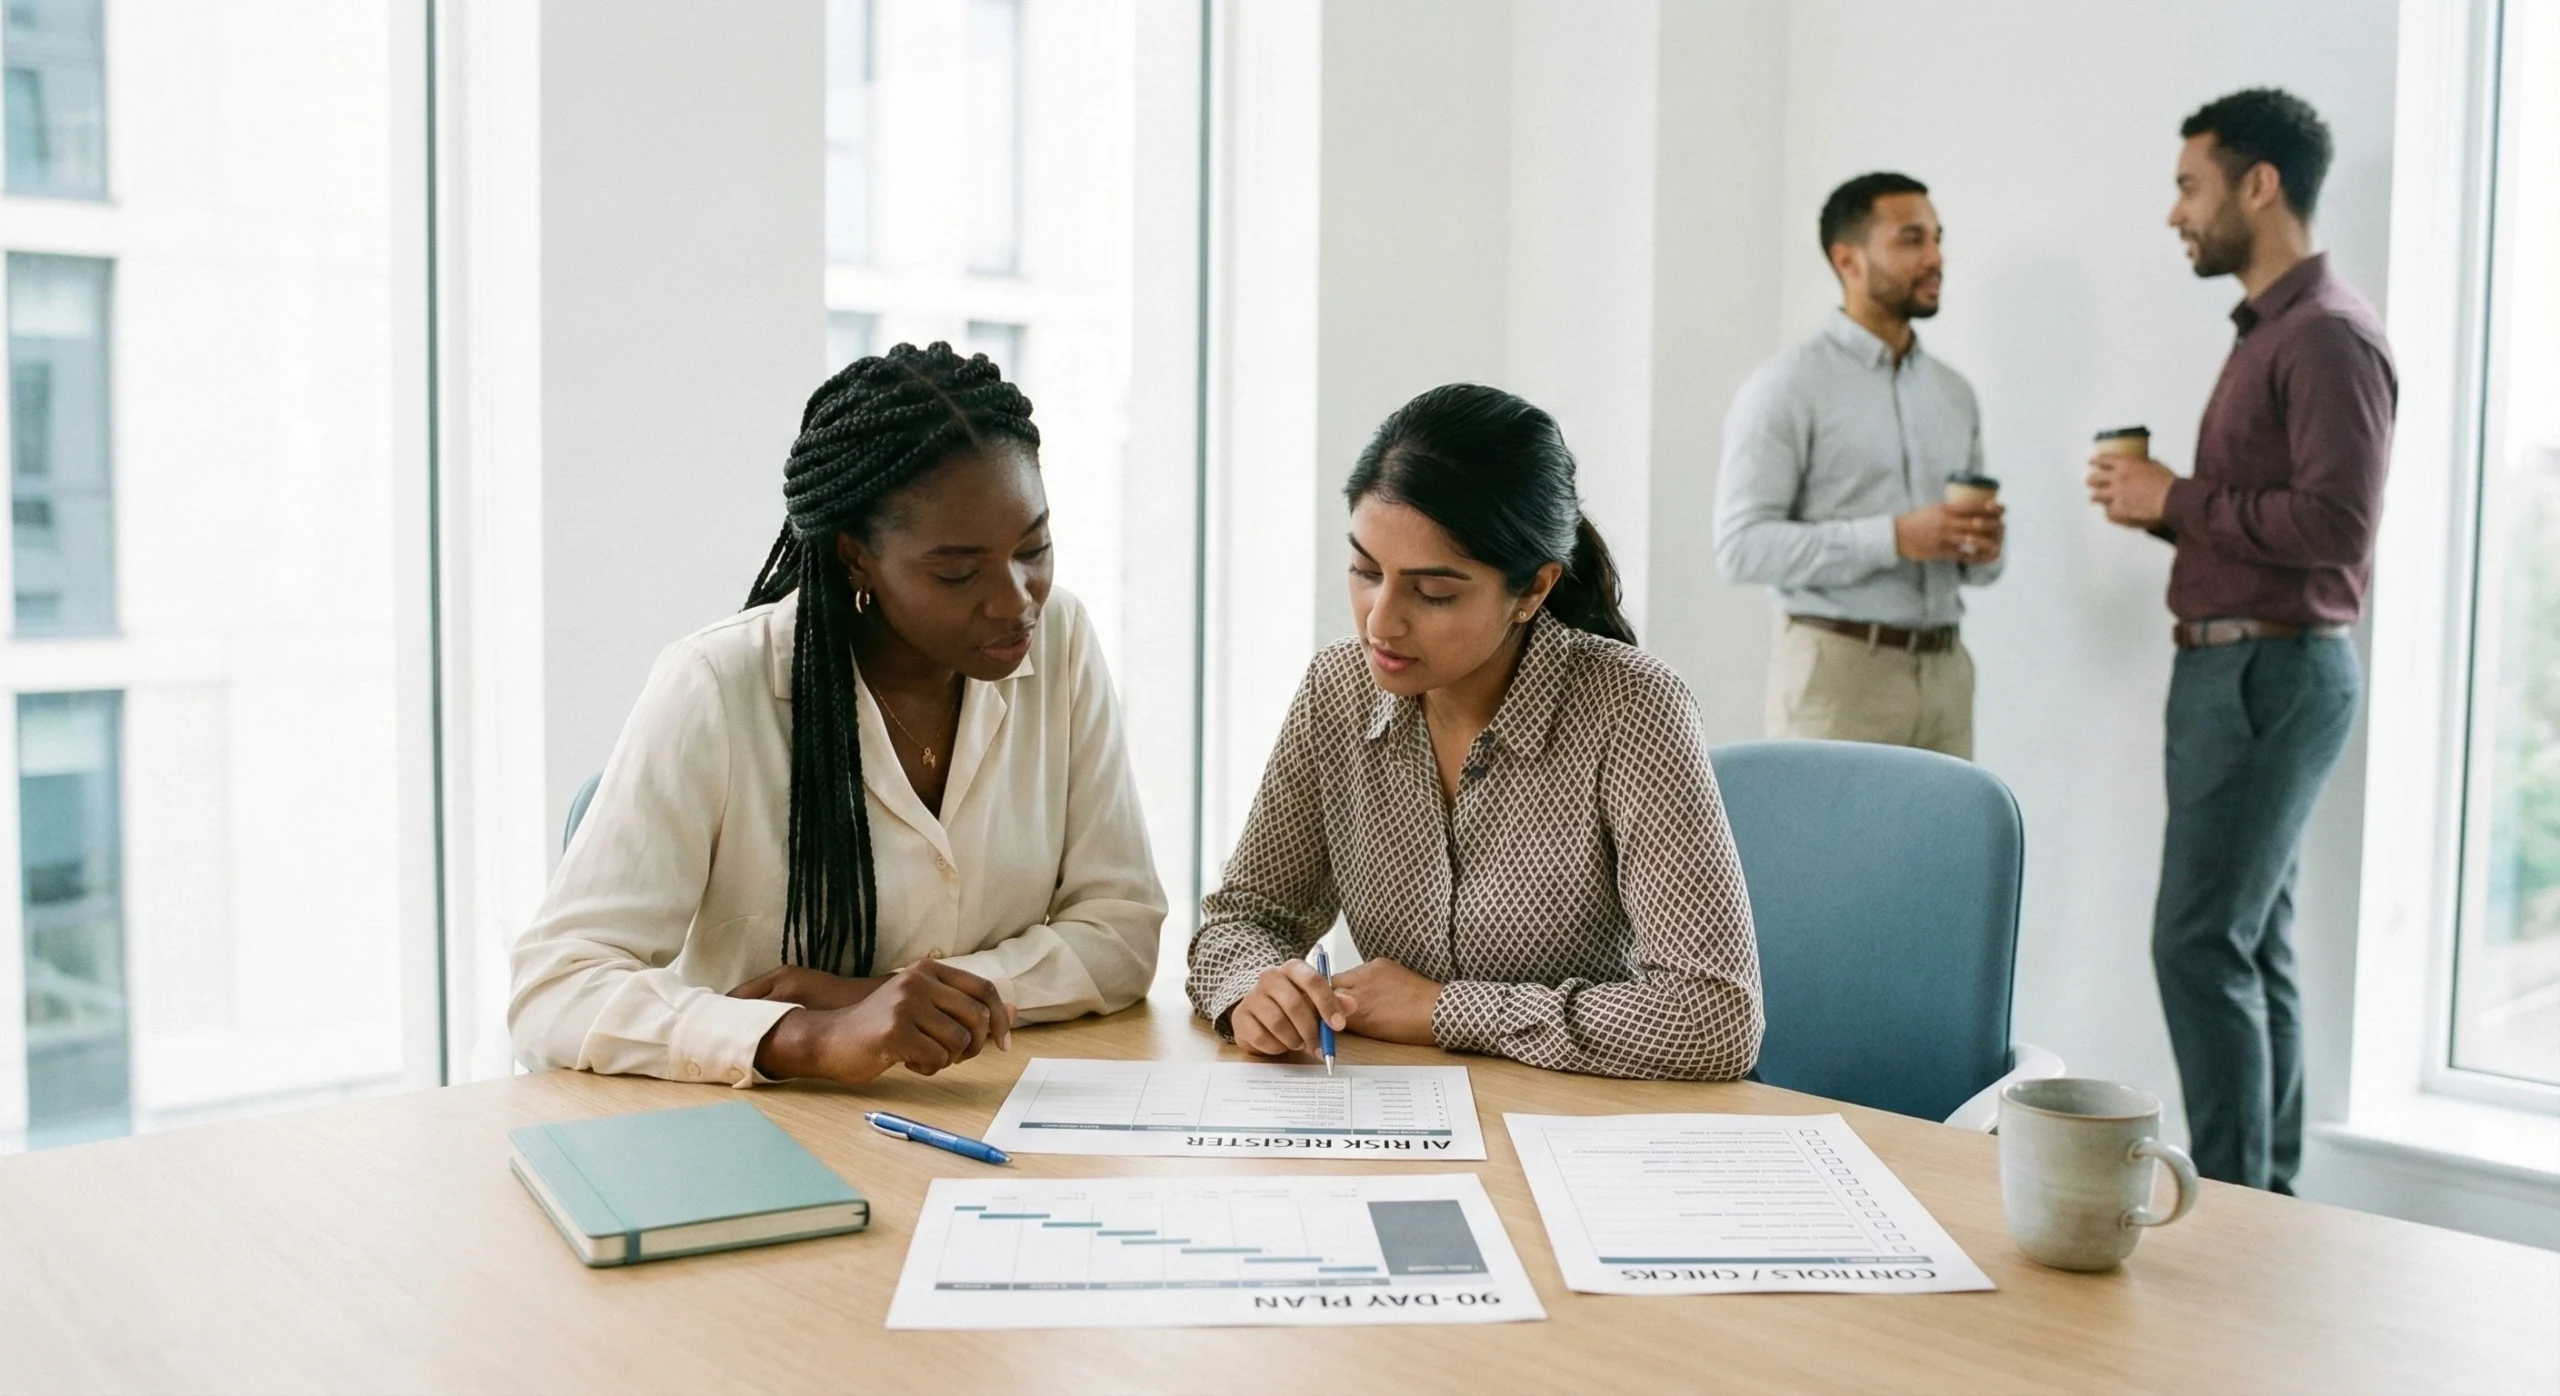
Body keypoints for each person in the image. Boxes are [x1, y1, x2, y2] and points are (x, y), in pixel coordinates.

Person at [511, 342, 1165, 1088]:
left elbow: (1120, 928)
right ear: (856, 559)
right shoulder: (717, 686)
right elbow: (554, 989)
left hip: (975, 1108)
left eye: (1035, 548)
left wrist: (887, 999)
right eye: (957, 572)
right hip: (764, 1133)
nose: (1016, 598)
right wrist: (805, 1036)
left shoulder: (1062, 639)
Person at [1185, 384, 1764, 1081]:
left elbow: (1714, 1019)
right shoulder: (1336, 691)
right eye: (1366, 571)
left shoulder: (1633, 708)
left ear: (1534, 590)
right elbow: (1242, 919)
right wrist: (1256, 987)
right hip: (1404, 1118)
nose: (1380, 622)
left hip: (1590, 1131)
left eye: (1434, 594)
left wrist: (1445, 1011)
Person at [2087, 90, 2394, 1193]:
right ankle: (2265, 1206)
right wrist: (2167, 503)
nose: (2175, 213)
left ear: (2256, 185)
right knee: (2248, 945)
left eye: (2189, 184)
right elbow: (2279, 504)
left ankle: (2231, 1210)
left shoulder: (2324, 337)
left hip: (2266, 668)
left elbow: (2335, 526)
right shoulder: (2279, 333)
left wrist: (2181, 493)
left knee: (2199, 944)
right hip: (2244, 663)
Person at [1714, 171, 2005, 759]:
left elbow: (1979, 571)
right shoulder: (1787, 386)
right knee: (1827, 855)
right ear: (1847, 260)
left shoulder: (1955, 394)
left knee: (1948, 855)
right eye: (1911, 239)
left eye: (1938, 239)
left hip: (1948, 675)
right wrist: (1894, 538)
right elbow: (1740, 548)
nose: (1936, 257)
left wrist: (1983, 549)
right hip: (1838, 677)